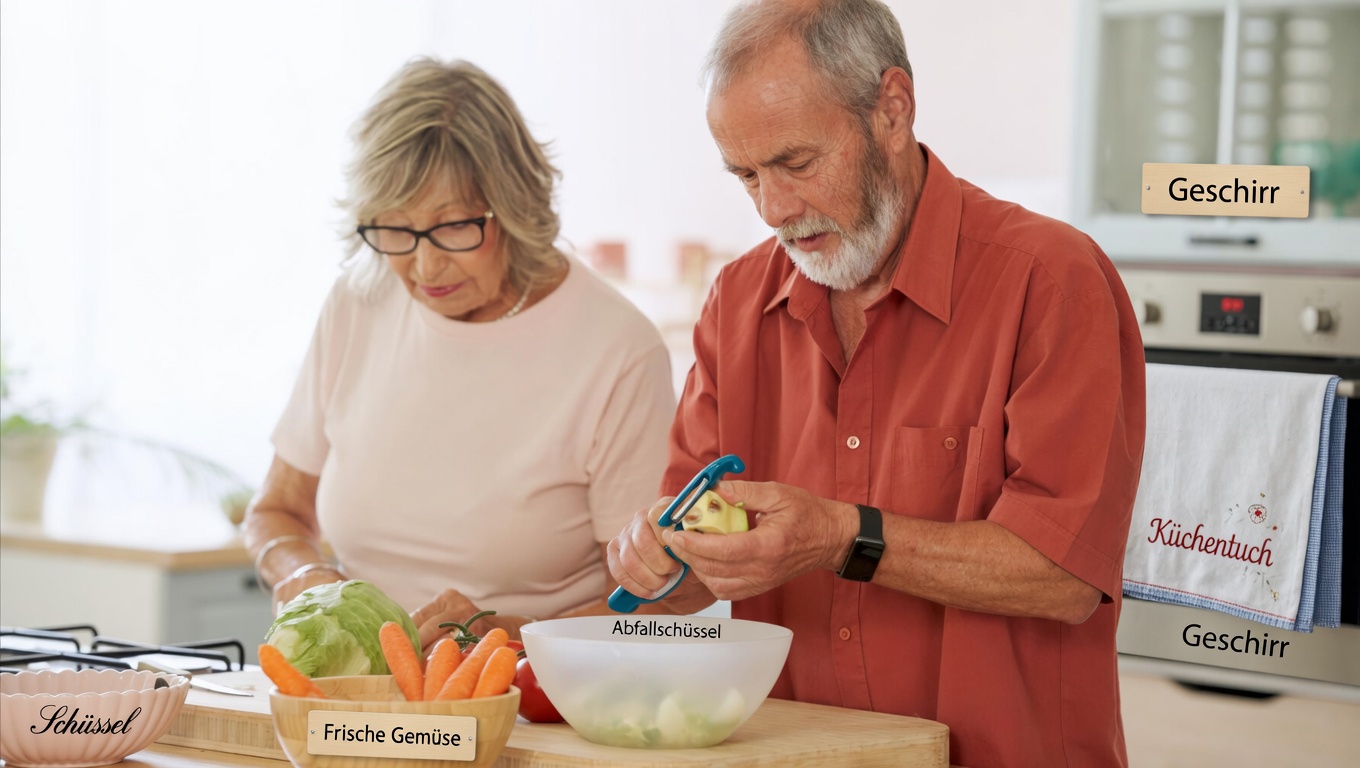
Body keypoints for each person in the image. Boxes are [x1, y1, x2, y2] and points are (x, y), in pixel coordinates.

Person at [606, 1, 1145, 765]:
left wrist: (838, 537)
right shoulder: (736, 304)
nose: (774, 209)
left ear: (892, 109)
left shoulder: (1050, 280)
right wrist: (658, 562)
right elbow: (694, 570)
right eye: (746, 176)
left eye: (796, 163)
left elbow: (1064, 574)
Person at [245, 57, 677, 652]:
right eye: (394, 229)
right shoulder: (360, 300)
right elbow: (277, 510)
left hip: (526, 697)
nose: (424, 267)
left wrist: (518, 638)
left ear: (516, 207)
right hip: (357, 694)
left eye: (452, 228)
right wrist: (302, 575)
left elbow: (654, 597)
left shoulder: (617, 350)